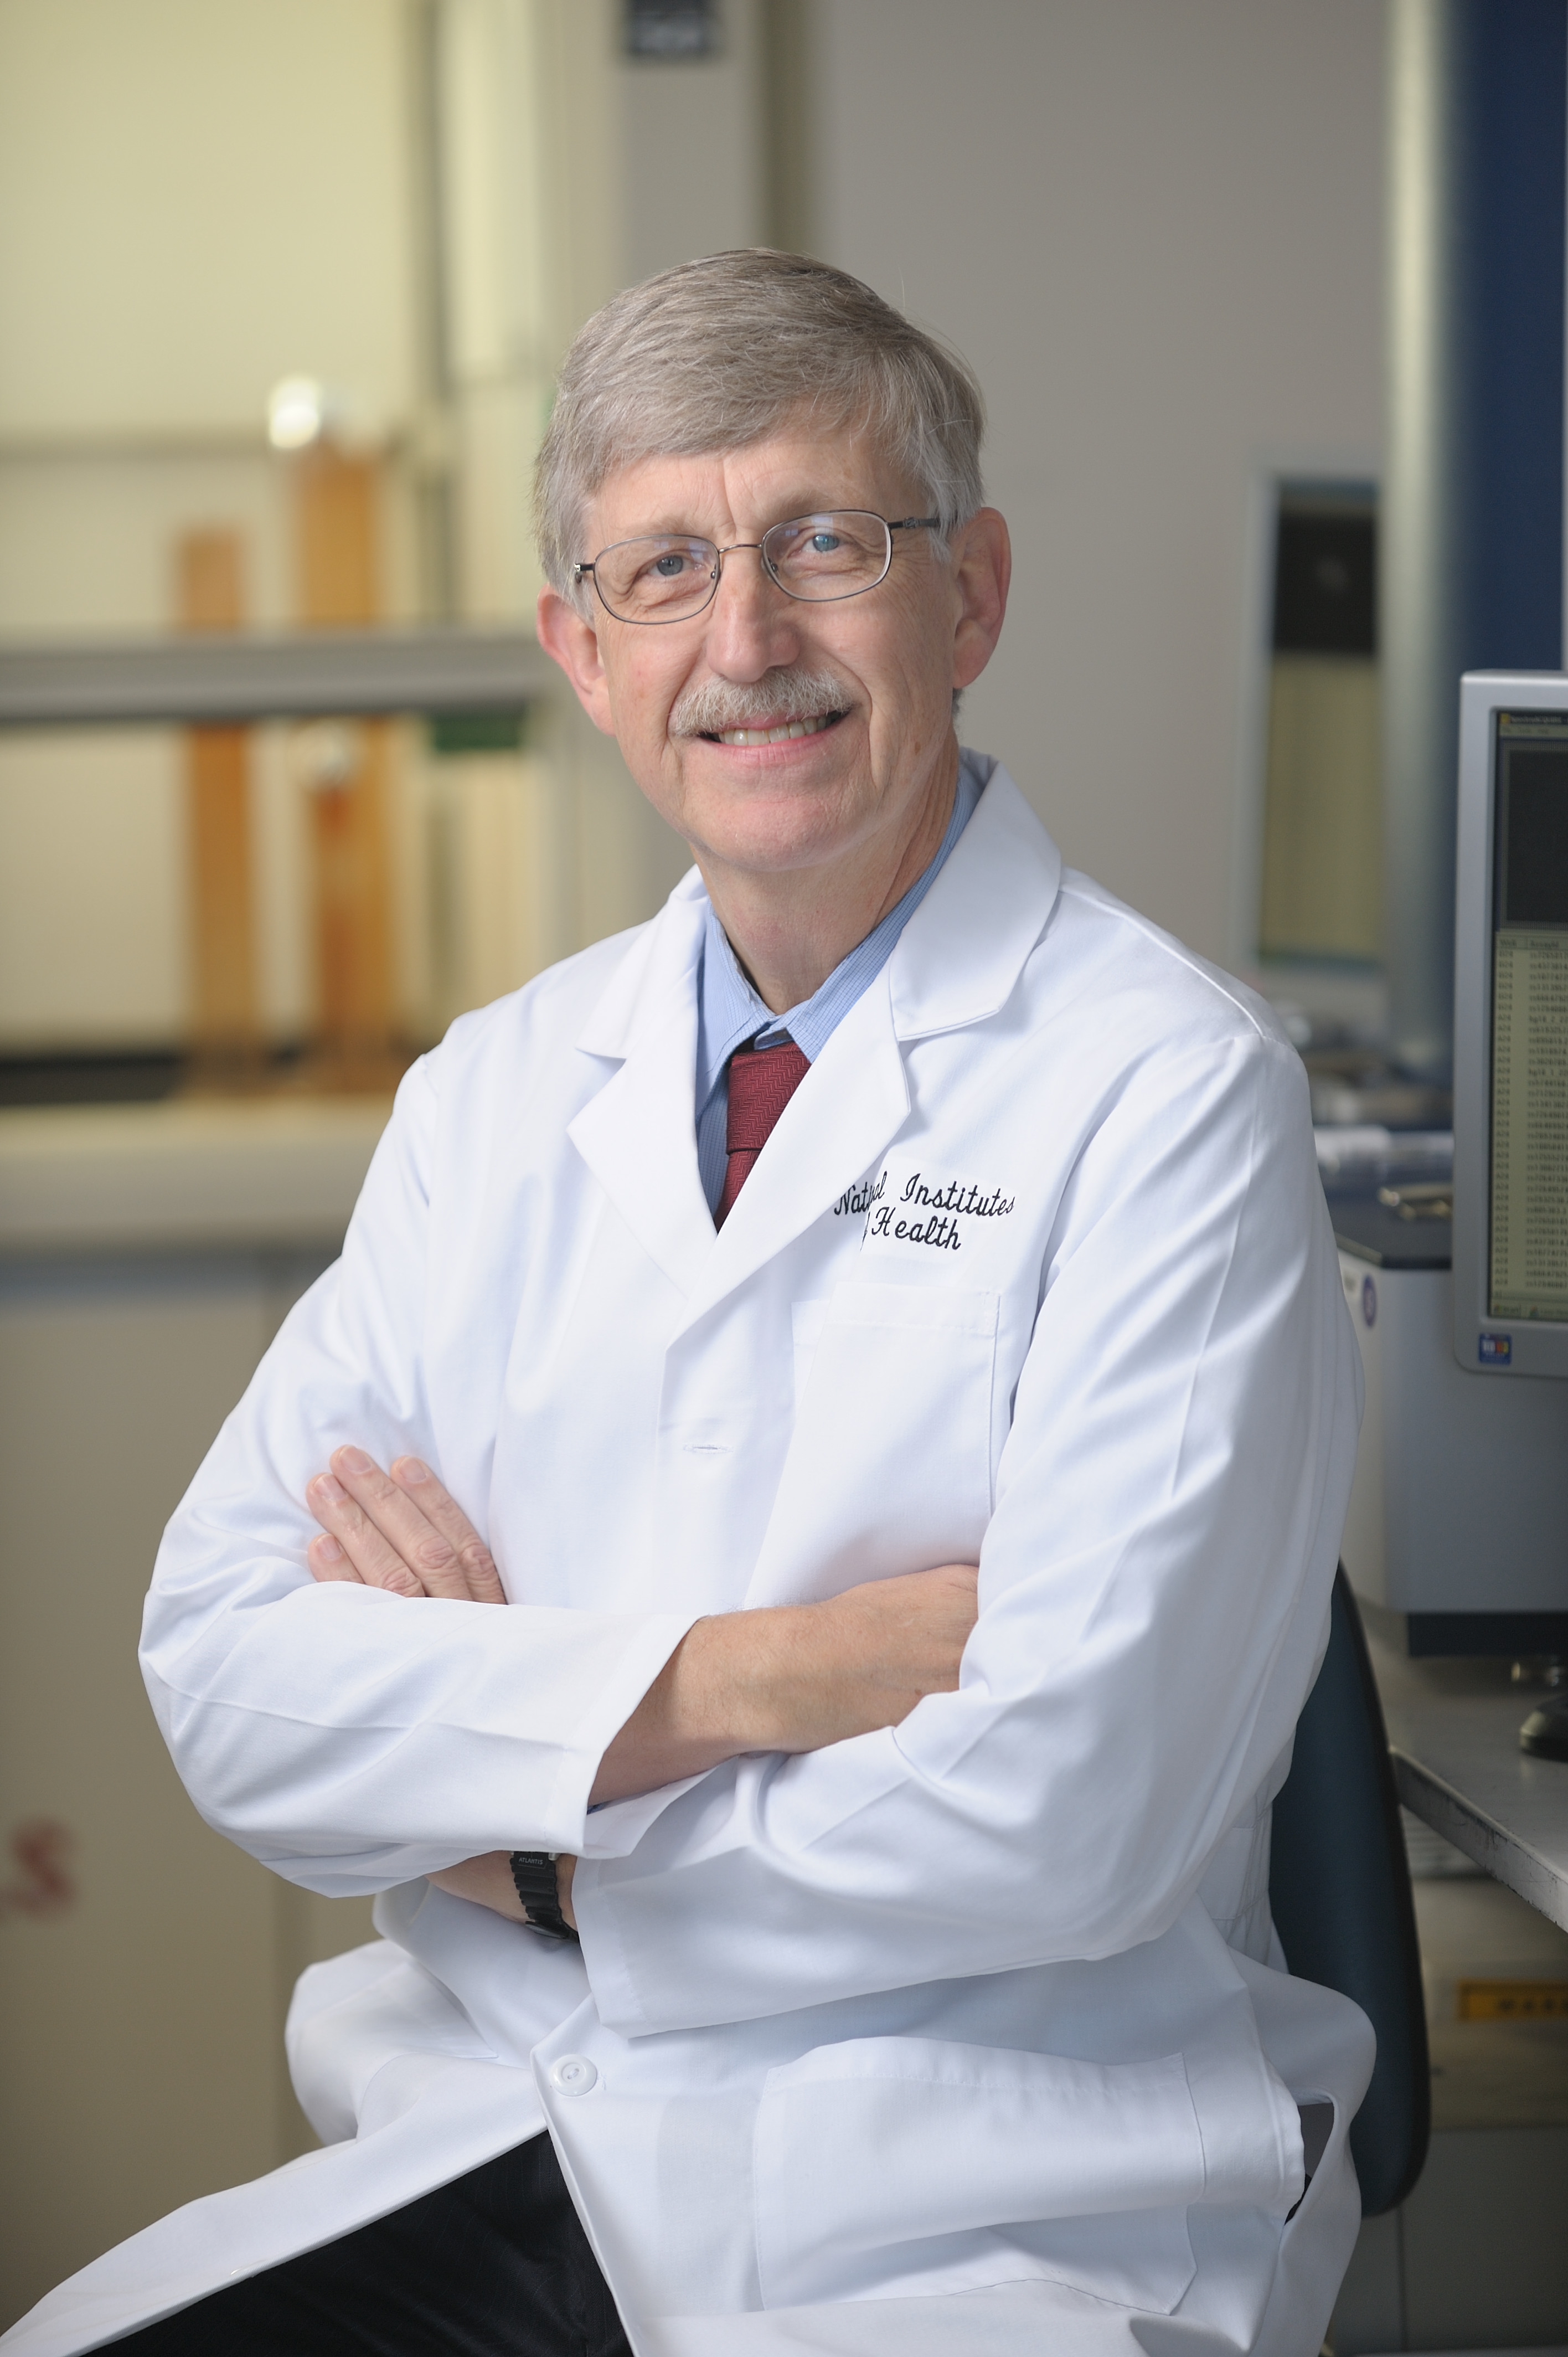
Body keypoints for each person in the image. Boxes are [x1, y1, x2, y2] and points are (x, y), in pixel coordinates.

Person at [4, 251, 1368, 2357]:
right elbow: (231, 1678)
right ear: (580, 646)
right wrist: (764, 1678)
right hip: (508, 2129)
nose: (748, 642)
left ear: (972, 594)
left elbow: (1068, 1817)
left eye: (826, 542)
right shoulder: (498, 1097)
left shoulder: (1171, 1096)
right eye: (662, 570)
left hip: (999, 2201)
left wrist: (526, 1824)